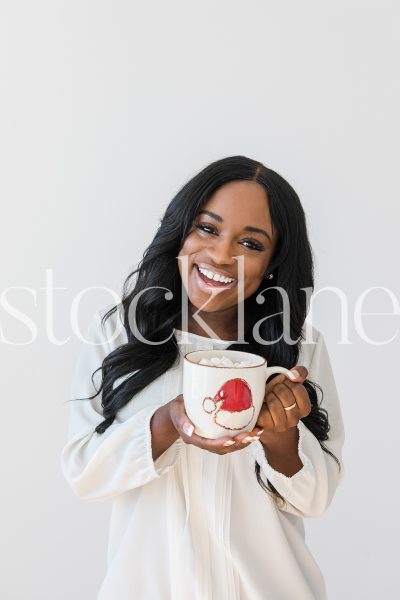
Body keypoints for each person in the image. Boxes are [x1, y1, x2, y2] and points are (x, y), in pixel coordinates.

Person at [61, 155, 345, 600]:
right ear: (180, 231)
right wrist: (168, 423)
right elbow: (84, 474)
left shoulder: (299, 348)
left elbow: (314, 499)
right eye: (207, 229)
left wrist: (281, 436)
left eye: (251, 244)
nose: (220, 255)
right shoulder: (119, 332)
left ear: (273, 261)